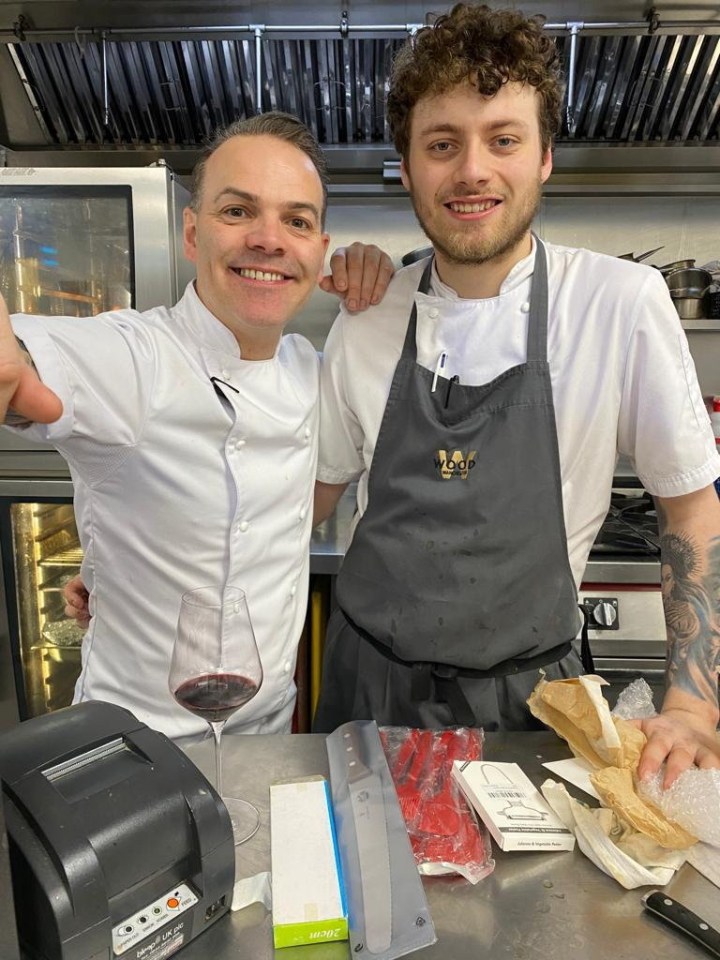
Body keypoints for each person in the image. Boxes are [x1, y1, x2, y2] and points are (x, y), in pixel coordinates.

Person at [311, 2, 720, 786]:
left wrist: (692, 706)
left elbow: (692, 508)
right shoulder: (366, 320)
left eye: (503, 139)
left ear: (543, 159)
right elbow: (307, 501)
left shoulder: (620, 304)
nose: (471, 170)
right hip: (367, 688)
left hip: (537, 700)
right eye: (442, 145)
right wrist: (161, 571)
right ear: (407, 165)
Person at [0, 111, 394, 741]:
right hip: (129, 744)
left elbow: (304, 503)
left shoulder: (312, 372)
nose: (269, 239)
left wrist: (114, 562)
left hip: (264, 738)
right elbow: (27, 362)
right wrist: (12, 368)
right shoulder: (136, 357)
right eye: (237, 211)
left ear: (319, 250)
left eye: (296, 220)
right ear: (191, 234)